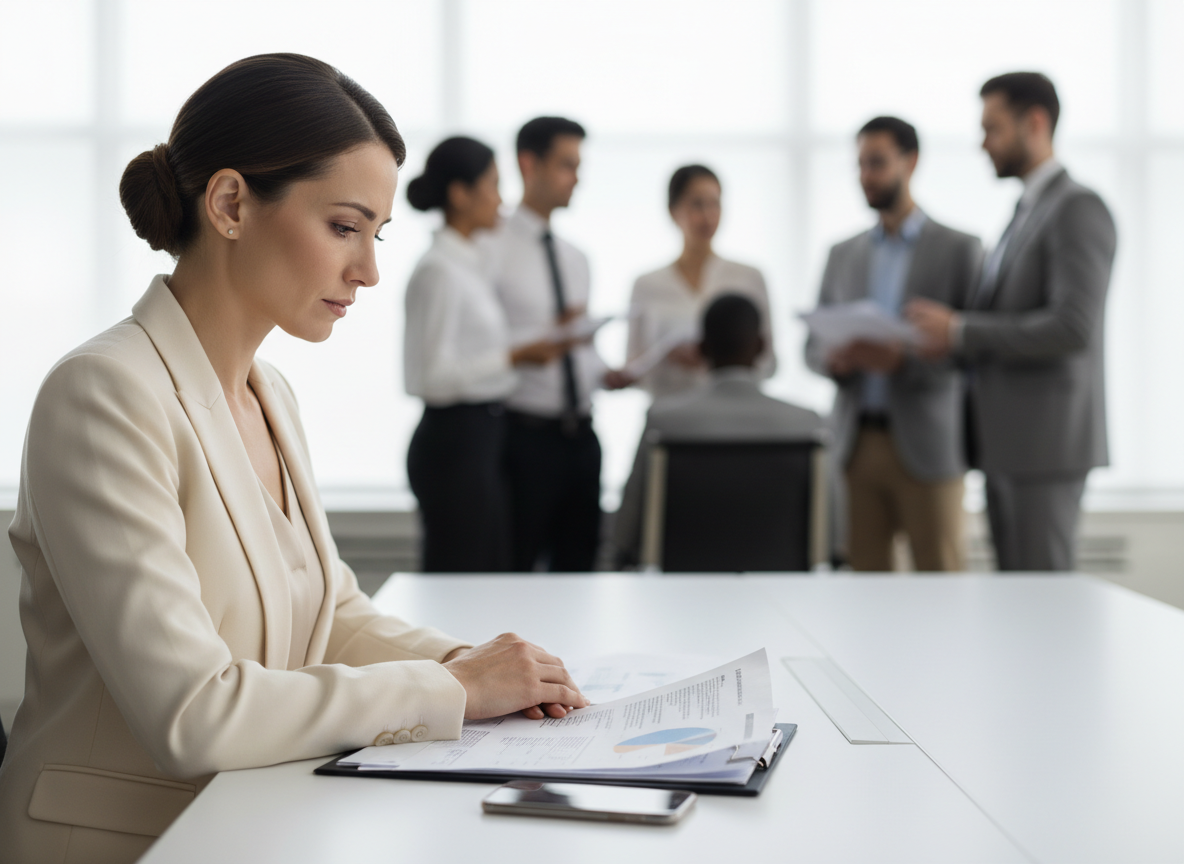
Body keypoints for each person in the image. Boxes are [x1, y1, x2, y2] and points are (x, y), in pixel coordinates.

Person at [0, 55, 587, 864]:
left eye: (376, 235)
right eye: (345, 227)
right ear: (231, 203)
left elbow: (331, 616)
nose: (370, 270)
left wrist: (471, 663)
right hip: (128, 841)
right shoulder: (103, 393)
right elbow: (192, 711)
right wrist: (456, 689)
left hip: (252, 820)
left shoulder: (268, 392)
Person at [909, 73, 1116, 572]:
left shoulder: (1077, 208)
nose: (983, 144)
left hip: (1045, 446)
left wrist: (959, 331)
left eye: (993, 128)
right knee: (1018, 602)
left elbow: (1072, 326)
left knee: (1041, 602)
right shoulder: (1025, 210)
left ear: (1036, 122)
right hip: (1011, 446)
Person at [806, 117, 982, 572]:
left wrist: (901, 360)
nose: (866, 176)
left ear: (912, 161)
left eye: (878, 163)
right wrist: (835, 360)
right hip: (856, 443)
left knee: (941, 578)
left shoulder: (959, 249)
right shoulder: (841, 254)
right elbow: (811, 346)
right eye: (861, 165)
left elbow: (975, 351)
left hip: (928, 445)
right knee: (864, 586)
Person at [403, 136, 569, 572]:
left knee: (487, 570)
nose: (501, 199)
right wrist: (513, 358)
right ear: (460, 194)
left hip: (481, 438)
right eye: (494, 185)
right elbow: (428, 377)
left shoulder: (470, 263)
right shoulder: (438, 271)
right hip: (453, 441)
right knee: (460, 576)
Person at [480, 116, 631, 572]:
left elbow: (579, 350)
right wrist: (539, 341)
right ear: (530, 164)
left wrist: (607, 372)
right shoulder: (491, 246)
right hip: (524, 437)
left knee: (581, 567)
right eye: (567, 165)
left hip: (582, 436)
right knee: (517, 564)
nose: (577, 178)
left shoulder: (576, 258)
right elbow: (479, 340)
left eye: (578, 165)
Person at [615, 294, 823, 567]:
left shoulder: (665, 421)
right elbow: (830, 530)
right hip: (782, 585)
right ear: (761, 346)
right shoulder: (807, 423)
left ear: (701, 348)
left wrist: (614, 562)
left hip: (678, 588)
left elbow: (628, 523)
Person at [627, 165, 776, 400]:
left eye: (715, 204)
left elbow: (769, 362)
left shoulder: (749, 277)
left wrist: (719, 361)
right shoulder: (646, 284)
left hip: (732, 415)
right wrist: (666, 359)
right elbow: (633, 368)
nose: (708, 216)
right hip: (670, 416)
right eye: (697, 204)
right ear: (673, 210)